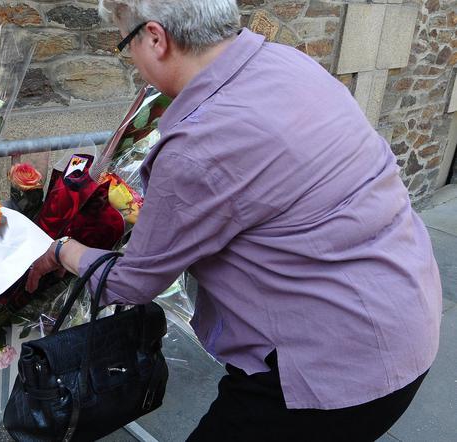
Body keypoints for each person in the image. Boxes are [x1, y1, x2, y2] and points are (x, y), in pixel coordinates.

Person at [25, 0, 443, 440]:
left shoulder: (200, 141)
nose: (131, 58)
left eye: (126, 43)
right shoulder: (290, 63)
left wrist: (59, 250)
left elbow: (131, 282)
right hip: (405, 315)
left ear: (155, 38)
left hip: (330, 370)